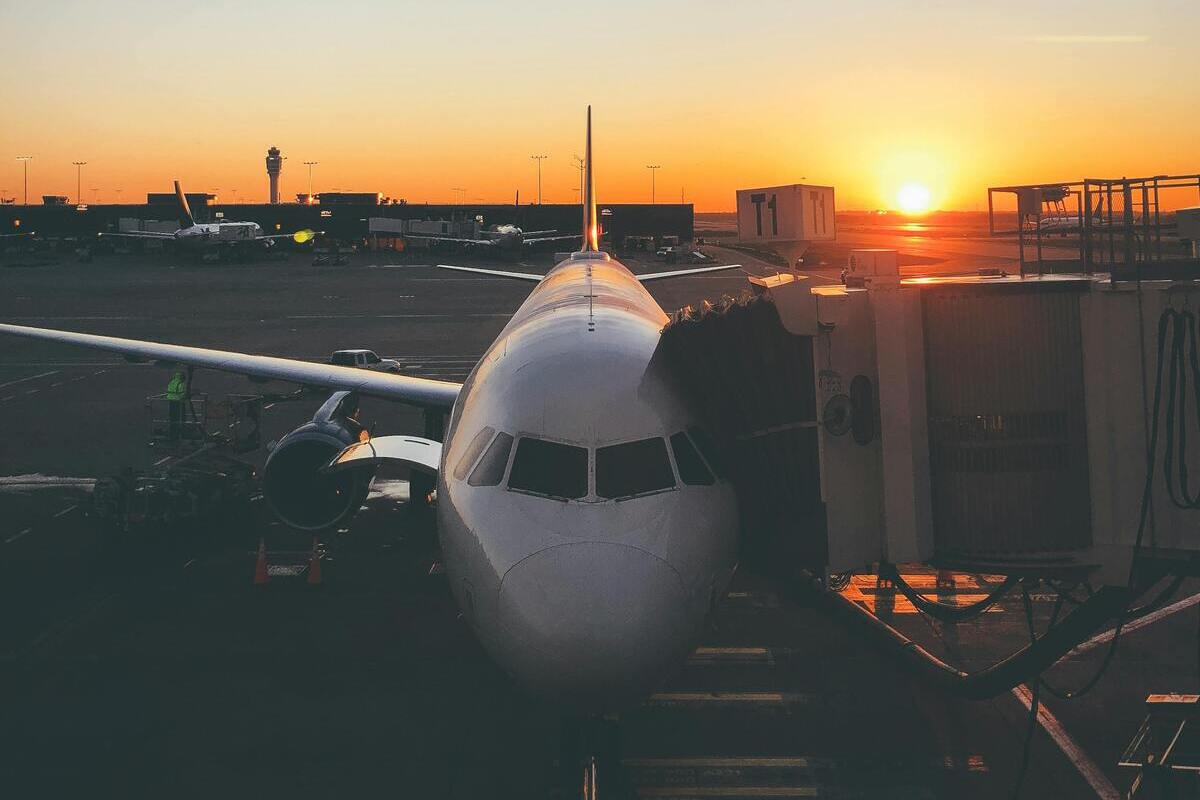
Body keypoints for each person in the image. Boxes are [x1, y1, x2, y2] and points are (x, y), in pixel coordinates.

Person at [166, 370, 187, 441]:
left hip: (171, 402)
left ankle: (172, 433)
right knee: (180, 418)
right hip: (178, 402)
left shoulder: (171, 382)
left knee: (173, 418)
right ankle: (180, 433)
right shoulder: (181, 383)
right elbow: (182, 394)